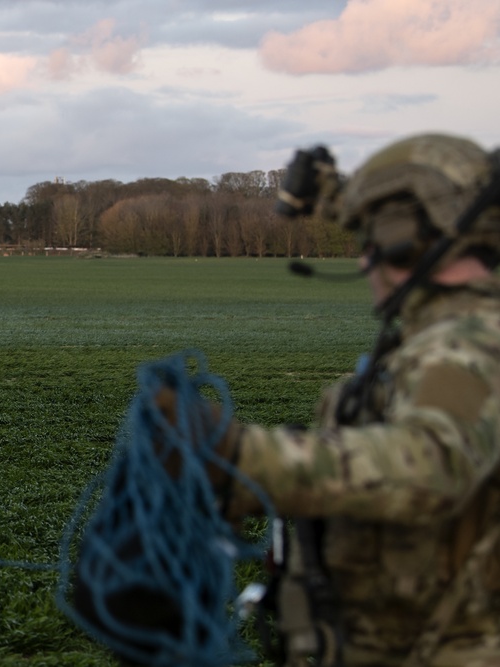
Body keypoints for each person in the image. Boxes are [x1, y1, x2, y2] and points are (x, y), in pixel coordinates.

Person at [157, 133, 500, 666]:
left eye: (371, 239)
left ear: (402, 239)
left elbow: (431, 462)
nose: (364, 263)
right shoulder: (431, 338)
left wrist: (244, 461)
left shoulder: (473, 344)